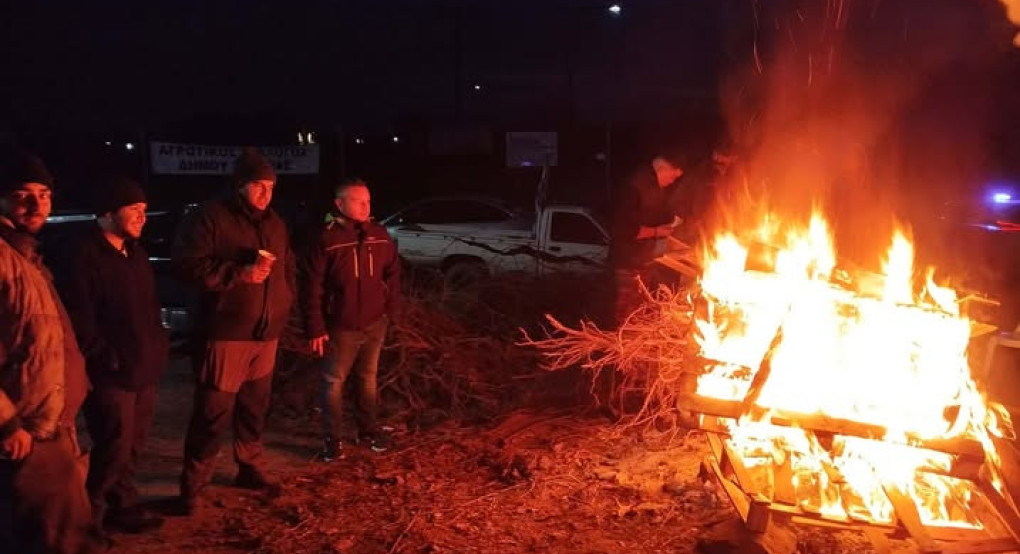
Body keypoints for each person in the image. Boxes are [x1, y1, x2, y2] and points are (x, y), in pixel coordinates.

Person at [172, 148, 295, 514]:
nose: (265, 194)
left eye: (270, 187)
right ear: (239, 185)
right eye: (258, 186)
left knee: (254, 408)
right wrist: (236, 274)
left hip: (266, 333)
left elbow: (288, 269)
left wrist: (286, 306)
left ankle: (250, 465)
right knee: (213, 411)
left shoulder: (275, 223)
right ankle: (194, 484)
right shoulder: (209, 218)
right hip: (225, 331)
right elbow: (186, 266)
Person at [57, 177, 169, 537]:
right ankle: (87, 518)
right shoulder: (83, 258)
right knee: (112, 448)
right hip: (111, 373)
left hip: (143, 368)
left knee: (133, 445)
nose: (142, 217)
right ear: (107, 214)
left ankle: (123, 506)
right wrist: (107, 358)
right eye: (133, 209)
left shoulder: (134, 255)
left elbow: (150, 310)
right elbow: (79, 320)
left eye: (144, 210)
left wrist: (157, 346)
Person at [0, 151, 94, 553]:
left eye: (44, 194)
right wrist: (7, 423)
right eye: (23, 194)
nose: (37, 204)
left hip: (55, 422)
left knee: (64, 529)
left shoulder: (28, 255)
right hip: (26, 431)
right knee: (49, 538)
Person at [301, 178, 401, 461]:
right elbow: (311, 287)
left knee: (367, 379)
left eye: (368, 200)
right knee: (333, 382)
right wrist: (315, 327)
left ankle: (368, 433)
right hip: (340, 325)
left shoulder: (379, 234)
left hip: (374, 323)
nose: (365, 206)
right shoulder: (326, 238)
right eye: (358, 201)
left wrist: (390, 310)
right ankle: (333, 441)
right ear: (339, 204)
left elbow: (393, 273)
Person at [608, 155, 688, 325]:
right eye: (672, 176)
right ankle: (623, 346)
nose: (673, 181)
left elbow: (657, 214)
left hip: (642, 261)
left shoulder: (654, 188)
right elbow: (625, 230)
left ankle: (632, 343)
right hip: (628, 263)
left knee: (639, 310)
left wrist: (673, 221)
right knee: (626, 313)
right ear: (661, 169)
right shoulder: (634, 189)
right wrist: (657, 231)